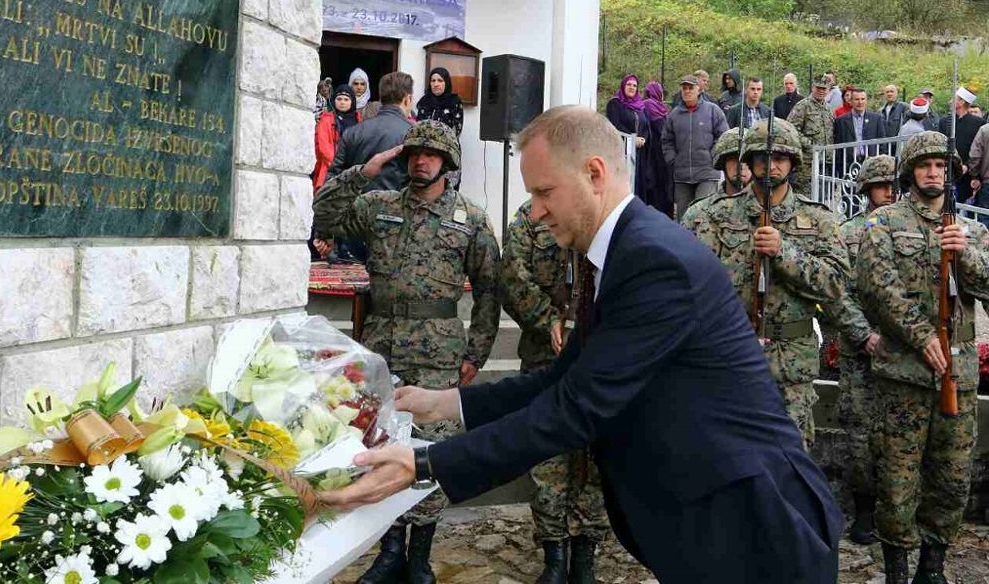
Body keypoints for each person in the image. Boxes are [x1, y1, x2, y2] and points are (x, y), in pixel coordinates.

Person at [317, 106, 843, 584]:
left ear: (594, 174)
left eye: (545, 193)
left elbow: (576, 408)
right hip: (709, 520)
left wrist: (425, 463)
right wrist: (444, 402)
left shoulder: (653, 260)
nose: (537, 212)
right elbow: (563, 377)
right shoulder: (623, 250)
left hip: (753, 526)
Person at [312, 120, 501, 584]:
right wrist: (365, 170)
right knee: (382, 445)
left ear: (448, 164)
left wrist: (476, 350)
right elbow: (322, 216)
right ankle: (389, 549)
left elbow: (490, 289)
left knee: (432, 451)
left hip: (439, 352)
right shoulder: (377, 207)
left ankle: (420, 554)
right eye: (414, 153)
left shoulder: (470, 219)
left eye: (431, 155)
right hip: (382, 347)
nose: (420, 160)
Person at [856, 131, 988, 584]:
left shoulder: (971, 230)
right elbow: (876, 287)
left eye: (941, 166)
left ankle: (932, 567)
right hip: (904, 374)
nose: (934, 173)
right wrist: (919, 335)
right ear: (909, 170)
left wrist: (963, 253)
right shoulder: (884, 224)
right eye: (924, 165)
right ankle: (896, 565)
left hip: (958, 373)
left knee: (951, 477)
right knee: (897, 479)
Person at [683, 118, 850, 447]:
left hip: (790, 370)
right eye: (762, 158)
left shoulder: (818, 220)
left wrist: (784, 253)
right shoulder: (708, 216)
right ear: (748, 162)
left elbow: (836, 285)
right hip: (724, 360)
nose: (771, 166)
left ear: (793, 163)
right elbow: (681, 287)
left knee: (789, 467)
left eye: (780, 159)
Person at [500, 201, 608, 584]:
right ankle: (553, 556)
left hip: (597, 362)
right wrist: (547, 320)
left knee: (593, 462)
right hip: (545, 359)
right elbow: (512, 277)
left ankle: (585, 556)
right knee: (546, 459)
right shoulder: (532, 216)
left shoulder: (606, 214)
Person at [835, 155, 897, 547]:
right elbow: (837, 294)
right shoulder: (847, 233)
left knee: (898, 435)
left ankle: (895, 509)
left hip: (902, 348)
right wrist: (863, 335)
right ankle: (863, 511)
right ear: (866, 190)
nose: (889, 192)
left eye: (893, 184)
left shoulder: (910, 228)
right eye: (881, 185)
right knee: (859, 434)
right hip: (861, 348)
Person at [325, 72, 415, 263]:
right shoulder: (412, 134)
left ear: (381, 98)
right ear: (408, 99)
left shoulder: (353, 132)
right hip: (396, 230)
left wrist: (323, 230)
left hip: (354, 229)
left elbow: (333, 181)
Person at [662, 75, 728, 219]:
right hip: (682, 176)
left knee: (705, 217)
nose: (687, 91)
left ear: (699, 89)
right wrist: (673, 160)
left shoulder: (713, 111)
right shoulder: (673, 115)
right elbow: (666, 140)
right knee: (683, 218)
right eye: (684, 88)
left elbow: (724, 136)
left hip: (707, 174)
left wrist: (712, 157)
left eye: (690, 87)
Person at [678, 127, 750, 225]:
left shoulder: (768, 210)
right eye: (734, 159)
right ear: (722, 162)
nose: (740, 166)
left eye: (746, 159)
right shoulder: (698, 212)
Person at [606, 75, 656, 211]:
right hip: (622, 154)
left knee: (639, 186)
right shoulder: (615, 104)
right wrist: (632, 139)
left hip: (640, 154)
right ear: (623, 86)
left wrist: (643, 139)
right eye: (629, 84)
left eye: (634, 85)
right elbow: (614, 126)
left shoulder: (641, 107)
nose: (632, 87)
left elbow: (645, 125)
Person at [417, 67, 465, 190]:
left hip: (447, 152)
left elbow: (456, 130)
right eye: (433, 81)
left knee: (447, 189)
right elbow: (419, 127)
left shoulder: (454, 102)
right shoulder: (424, 102)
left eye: (440, 80)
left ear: (446, 83)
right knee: (426, 188)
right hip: (426, 151)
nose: (436, 84)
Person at [787, 78, 835, 195]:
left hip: (825, 162)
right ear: (813, 88)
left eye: (824, 89)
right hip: (807, 163)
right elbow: (791, 129)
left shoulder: (828, 108)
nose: (821, 91)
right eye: (818, 88)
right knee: (806, 197)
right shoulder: (803, 106)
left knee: (823, 197)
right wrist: (809, 145)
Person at [313, 84, 361, 190]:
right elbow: (323, 147)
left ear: (352, 101)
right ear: (334, 100)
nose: (342, 102)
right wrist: (338, 166)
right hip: (330, 171)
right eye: (339, 99)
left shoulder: (359, 121)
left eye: (346, 99)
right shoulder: (326, 119)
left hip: (353, 173)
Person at [939, 86, 981, 204]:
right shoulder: (945, 122)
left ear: (962, 102)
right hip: (947, 171)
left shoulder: (977, 124)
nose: (950, 101)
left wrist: (969, 167)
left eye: (954, 98)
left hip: (967, 174)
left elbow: (978, 150)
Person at [833, 89, 886, 176]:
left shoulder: (876, 119)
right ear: (850, 101)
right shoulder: (840, 121)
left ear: (866, 100)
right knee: (849, 189)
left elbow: (882, 142)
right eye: (857, 99)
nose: (860, 102)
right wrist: (839, 166)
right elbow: (838, 144)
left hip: (871, 163)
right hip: (848, 164)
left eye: (863, 99)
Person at [642, 80, 674, 217]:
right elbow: (661, 128)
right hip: (655, 150)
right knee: (658, 184)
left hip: (662, 150)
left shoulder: (661, 107)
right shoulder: (649, 105)